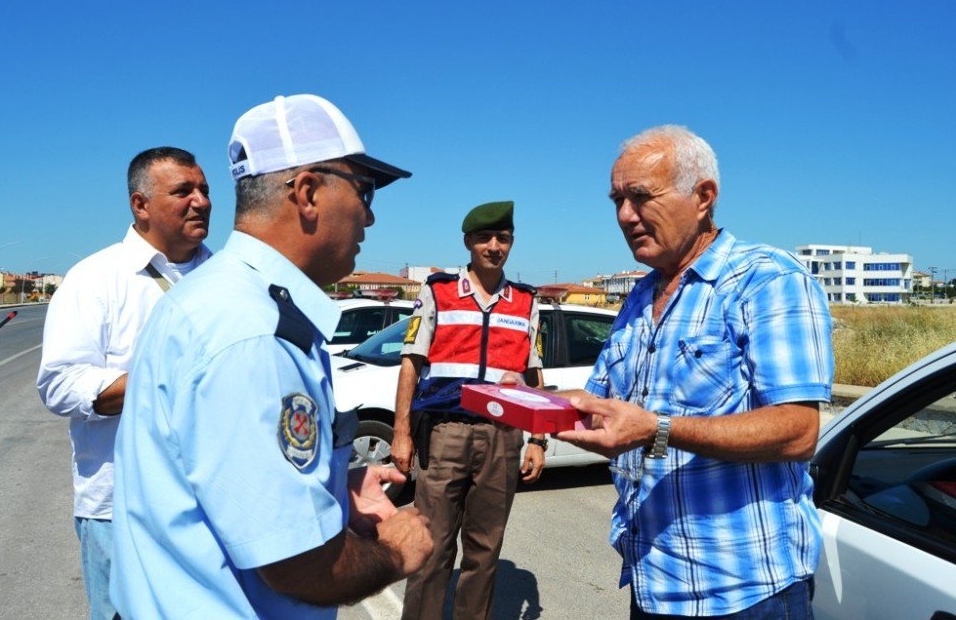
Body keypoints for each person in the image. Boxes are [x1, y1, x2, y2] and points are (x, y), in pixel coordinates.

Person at [110, 93, 433, 618]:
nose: (369, 218)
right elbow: (299, 564)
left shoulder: (218, 298)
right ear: (307, 192)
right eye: (365, 191)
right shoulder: (253, 333)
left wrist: (331, 488)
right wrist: (398, 551)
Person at [556, 125, 834, 619]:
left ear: (703, 196)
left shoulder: (767, 280)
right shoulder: (640, 297)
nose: (624, 215)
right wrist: (526, 397)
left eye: (640, 197)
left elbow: (798, 430)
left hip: (745, 593)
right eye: (617, 199)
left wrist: (657, 429)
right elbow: (598, 400)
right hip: (652, 582)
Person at [37, 146, 212, 619]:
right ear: (140, 205)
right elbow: (59, 384)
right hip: (121, 511)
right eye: (183, 191)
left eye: (205, 189)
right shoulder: (95, 279)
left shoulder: (226, 279)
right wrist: (158, 380)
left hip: (212, 507)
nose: (201, 201)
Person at [393, 201, 547, 620]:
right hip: (445, 434)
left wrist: (537, 439)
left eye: (503, 239)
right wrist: (401, 432)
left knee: (485, 550)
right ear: (468, 242)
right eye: (485, 238)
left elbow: (534, 373)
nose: (494, 246)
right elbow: (411, 362)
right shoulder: (438, 291)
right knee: (431, 544)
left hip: (502, 436)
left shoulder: (526, 301)